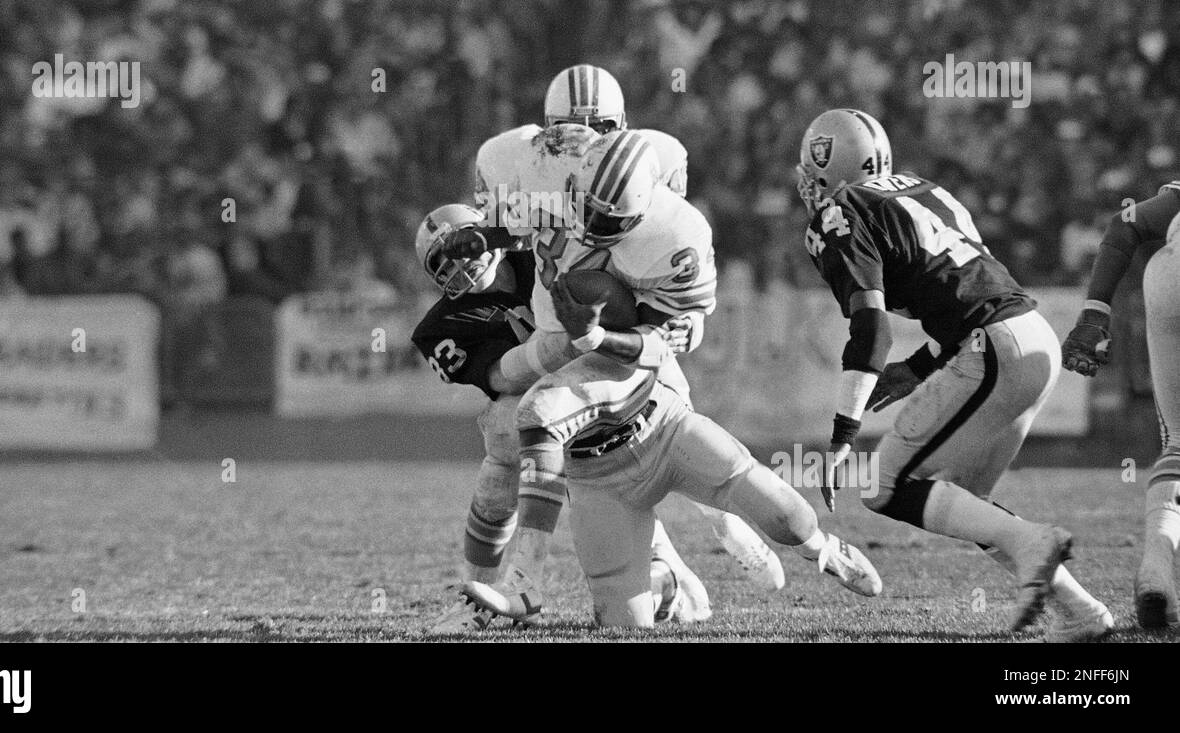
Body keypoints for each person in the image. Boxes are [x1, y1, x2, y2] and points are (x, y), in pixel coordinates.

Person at [449, 130, 879, 627]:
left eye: (608, 222)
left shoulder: (678, 242)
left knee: (785, 518)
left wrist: (592, 338)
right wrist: (487, 236)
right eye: (585, 211)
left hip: (653, 407)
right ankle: (670, 587)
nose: (591, 227)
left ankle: (823, 549)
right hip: (598, 472)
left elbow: (655, 347)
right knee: (625, 624)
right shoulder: (571, 187)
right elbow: (525, 220)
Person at [799, 108, 1111, 641]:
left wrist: (843, 433)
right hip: (1030, 337)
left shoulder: (843, 209)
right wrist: (919, 368)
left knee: (882, 486)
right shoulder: (925, 189)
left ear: (829, 168)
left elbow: (872, 329)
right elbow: (964, 290)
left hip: (993, 348)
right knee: (968, 503)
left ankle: (1034, 543)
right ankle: (1081, 611)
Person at [412, 202, 712, 631]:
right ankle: (478, 590)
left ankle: (684, 558)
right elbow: (499, 377)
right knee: (504, 432)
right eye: (443, 261)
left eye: (462, 248)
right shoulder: (440, 327)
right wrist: (572, 342)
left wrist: (660, 327)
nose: (459, 263)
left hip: (619, 369)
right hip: (558, 383)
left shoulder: (542, 251)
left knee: (669, 442)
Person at [1059, 182, 1180, 628]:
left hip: (1171, 274)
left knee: (1179, 447)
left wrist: (1095, 312)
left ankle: (1156, 569)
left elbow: (1125, 223)